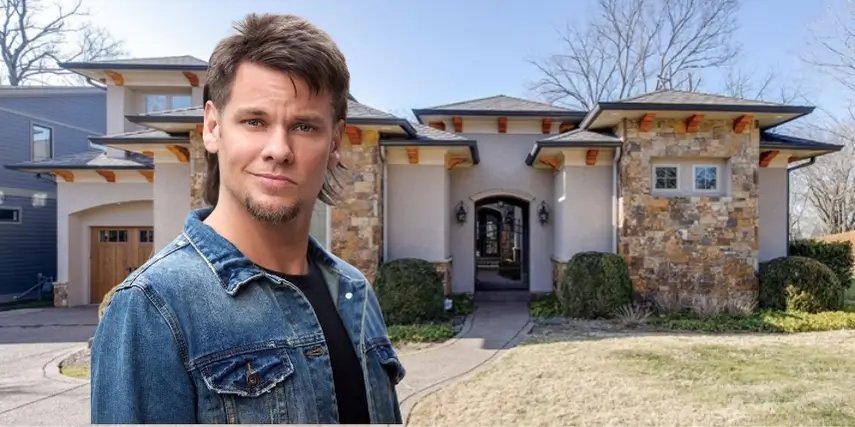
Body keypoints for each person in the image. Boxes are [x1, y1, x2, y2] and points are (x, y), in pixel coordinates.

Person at [90, 13, 405, 424]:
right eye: (255, 121)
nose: (279, 149)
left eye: (305, 126)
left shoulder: (353, 291)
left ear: (334, 143)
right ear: (212, 127)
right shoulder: (154, 308)